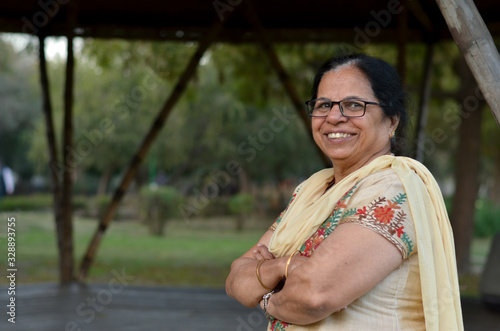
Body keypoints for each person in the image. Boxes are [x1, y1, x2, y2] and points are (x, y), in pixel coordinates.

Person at [225, 53, 463, 330]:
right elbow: (235, 281)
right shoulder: (312, 190)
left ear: (392, 121)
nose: (335, 117)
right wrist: (282, 268)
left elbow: (314, 296)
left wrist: (266, 298)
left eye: (353, 105)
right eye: (324, 105)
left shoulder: (395, 187)